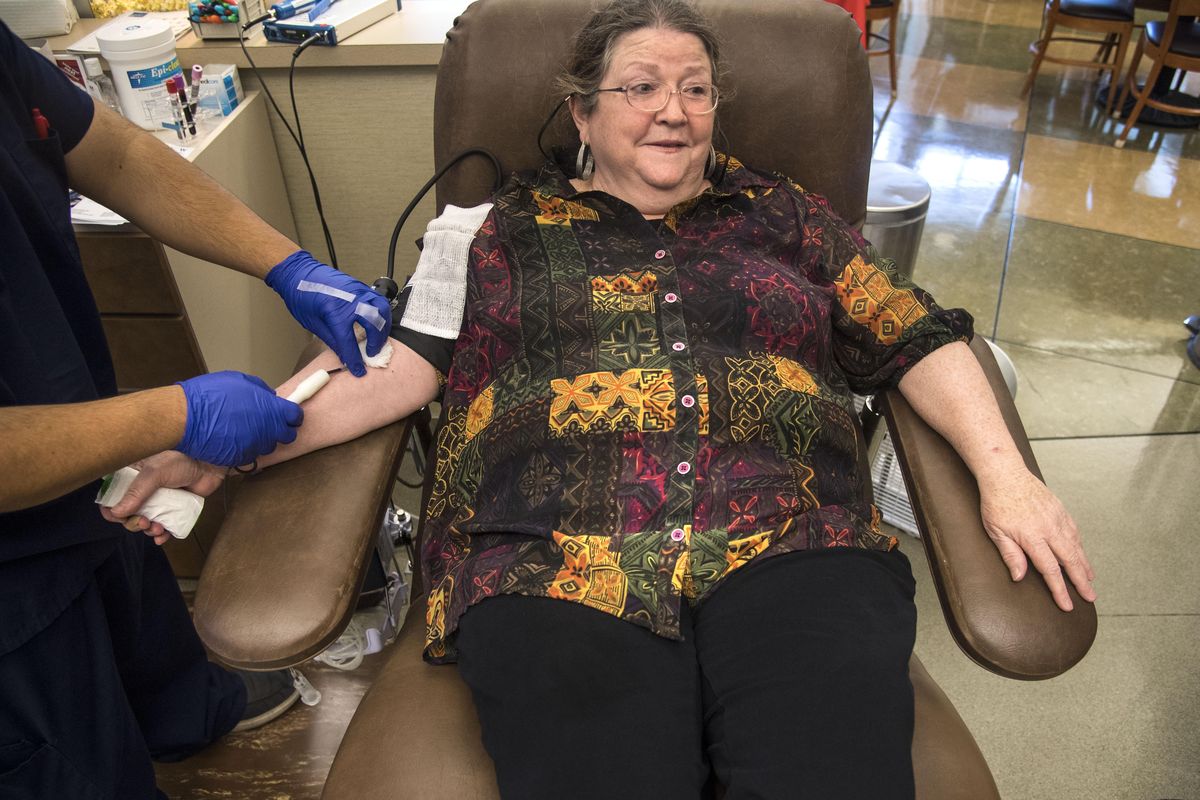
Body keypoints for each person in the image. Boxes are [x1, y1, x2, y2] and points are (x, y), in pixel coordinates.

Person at [115, 1, 1098, 797]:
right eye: (640, 88)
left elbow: (918, 332)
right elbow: (394, 373)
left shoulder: (792, 217)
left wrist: (1006, 476)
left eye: (695, 90)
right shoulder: (487, 231)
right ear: (582, 114)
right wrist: (220, 438)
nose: (673, 111)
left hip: (793, 538)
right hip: (553, 553)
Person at [0, 17, 391, 799]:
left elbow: (112, 149)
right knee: (71, 765)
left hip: (74, 435)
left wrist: (288, 265)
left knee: (138, 599)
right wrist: (171, 417)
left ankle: (186, 711)